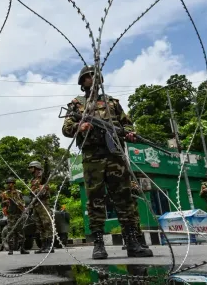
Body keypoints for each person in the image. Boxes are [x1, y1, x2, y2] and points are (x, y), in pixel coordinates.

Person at [61, 65, 152, 259]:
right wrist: (80, 126)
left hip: (115, 156)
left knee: (124, 198)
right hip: (92, 157)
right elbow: (66, 128)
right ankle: (99, 244)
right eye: (87, 77)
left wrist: (129, 132)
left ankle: (132, 242)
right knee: (95, 200)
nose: (92, 79)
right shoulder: (77, 104)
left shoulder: (112, 103)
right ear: (82, 82)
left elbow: (127, 123)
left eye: (95, 76)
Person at [28, 161, 55, 254]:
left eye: (31, 167)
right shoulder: (33, 180)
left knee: (46, 223)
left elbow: (47, 172)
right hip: (36, 205)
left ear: (36, 168)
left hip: (43, 203)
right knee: (39, 226)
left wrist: (46, 162)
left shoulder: (42, 178)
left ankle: (50, 245)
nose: (30, 169)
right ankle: (43, 245)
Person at [0, 177, 29, 255]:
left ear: (14, 184)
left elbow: (23, 202)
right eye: (8, 183)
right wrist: (6, 202)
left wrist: (21, 204)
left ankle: (22, 248)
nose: (9, 185)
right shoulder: (5, 194)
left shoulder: (19, 192)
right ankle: (10, 249)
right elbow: (2, 204)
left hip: (18, 214)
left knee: (21, 232)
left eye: (11, 183)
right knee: (10, 232)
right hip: (11, 215)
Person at [121, 181, 151, 251]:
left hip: (134, 207)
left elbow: (139, 192)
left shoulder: (132, 183)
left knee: (136, 222)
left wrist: (135, 188)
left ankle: (139, 241)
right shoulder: (122, 184)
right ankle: (127, 242)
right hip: (126, 208)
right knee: (127, 222)